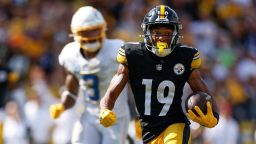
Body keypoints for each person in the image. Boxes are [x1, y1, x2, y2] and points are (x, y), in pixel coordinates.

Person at [99, 5, 219, 144]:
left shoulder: (184, 57)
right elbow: (113, 89)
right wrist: (105, 108)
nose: (162, 37)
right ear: (148, 32)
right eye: (157, 32)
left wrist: (214, 116)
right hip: (148, 129)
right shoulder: (133, 55)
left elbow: (202, 89)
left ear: (175, 34)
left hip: (175, 124)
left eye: (167, 33)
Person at [49, 6, 130, 144]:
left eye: (95, 29)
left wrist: (140, 116)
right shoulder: (71, 55)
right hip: (89, 116)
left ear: (103, 28)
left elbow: (135, 84)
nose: (91, 35)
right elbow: (71, 91)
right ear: (75, 34)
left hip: (115, 117)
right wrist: (62, 105)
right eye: (85, 32)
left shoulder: (117, 49)